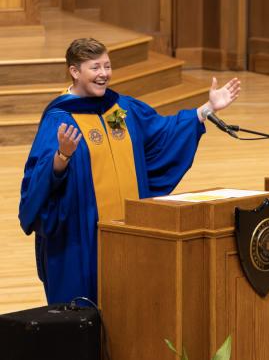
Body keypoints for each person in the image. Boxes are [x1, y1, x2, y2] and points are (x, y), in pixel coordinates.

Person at [18, 38, 241, 304]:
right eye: (95, 67)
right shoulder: (60, 119)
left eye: (107, 66)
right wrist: (62, 155)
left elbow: (164, 132)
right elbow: (37, 180)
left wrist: (207, 109)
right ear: (75, 72)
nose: (103, 74)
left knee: (130, 306)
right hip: (83, 239)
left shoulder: (121, 109)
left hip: (130, 231)